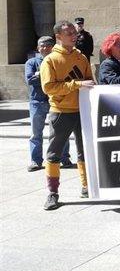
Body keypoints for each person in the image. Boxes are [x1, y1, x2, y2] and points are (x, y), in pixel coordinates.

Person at [41, 20, 95, 210]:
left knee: (85, 151)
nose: (74, 35)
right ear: (58, 37)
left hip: (83, 111)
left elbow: (90, 81)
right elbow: (49, 88)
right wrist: (76, 84)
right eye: (69, 33)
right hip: (61, 112)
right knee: (54, 153)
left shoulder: (81, 57)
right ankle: (52, 193)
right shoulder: (50, 60)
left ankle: (87, 186)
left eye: (74, 32)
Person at [26, 36, 71, 171]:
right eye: (42, 45)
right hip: (37, 102)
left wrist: (40, 75)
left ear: (53, 47)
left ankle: (64, 158)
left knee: (61, 132)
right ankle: (36, 161)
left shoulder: (57, 61)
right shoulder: (31, 62)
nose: (45, 48)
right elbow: (29, 80)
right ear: (38, 48)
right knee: (36, 133)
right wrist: (44, 74)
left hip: (56, 101)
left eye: (48, 45)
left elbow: (62, 79)